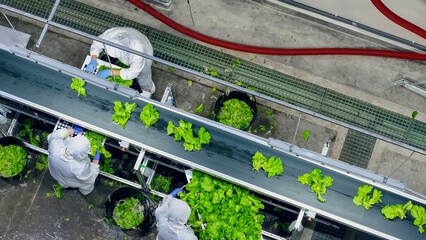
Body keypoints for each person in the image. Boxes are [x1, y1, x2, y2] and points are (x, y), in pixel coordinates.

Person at [86, 27, 155, 94]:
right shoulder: (112, 34)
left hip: (146, 53)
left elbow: (133, 73)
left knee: (143, 77)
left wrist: (109, 72)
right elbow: (97, 43)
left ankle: (149, 90)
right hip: (132, 37)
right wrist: (93, 59)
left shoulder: (139, 51)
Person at [47, 126, 101, 195]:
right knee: (88, 184)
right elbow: (89, 178)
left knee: (63, 181)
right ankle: (85, 192)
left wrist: (70, 130)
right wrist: (96, 160)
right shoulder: (79, 167)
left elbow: (54, 135)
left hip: (55, 174)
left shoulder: (55, 148)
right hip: (71, 182)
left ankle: (63, 185)